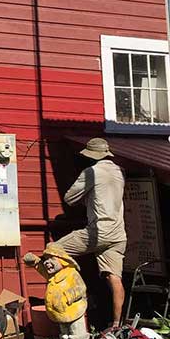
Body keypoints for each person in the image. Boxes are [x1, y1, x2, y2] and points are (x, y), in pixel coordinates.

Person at [53, 137, 126, 327]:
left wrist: (85, 198)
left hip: (98, 231)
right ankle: (117, 325)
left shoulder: (91, 172)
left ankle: (69, 304)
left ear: (91, 156)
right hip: (118, 233)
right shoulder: (119, 171)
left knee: (53, 250)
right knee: (114, 278)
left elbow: (69, 198)